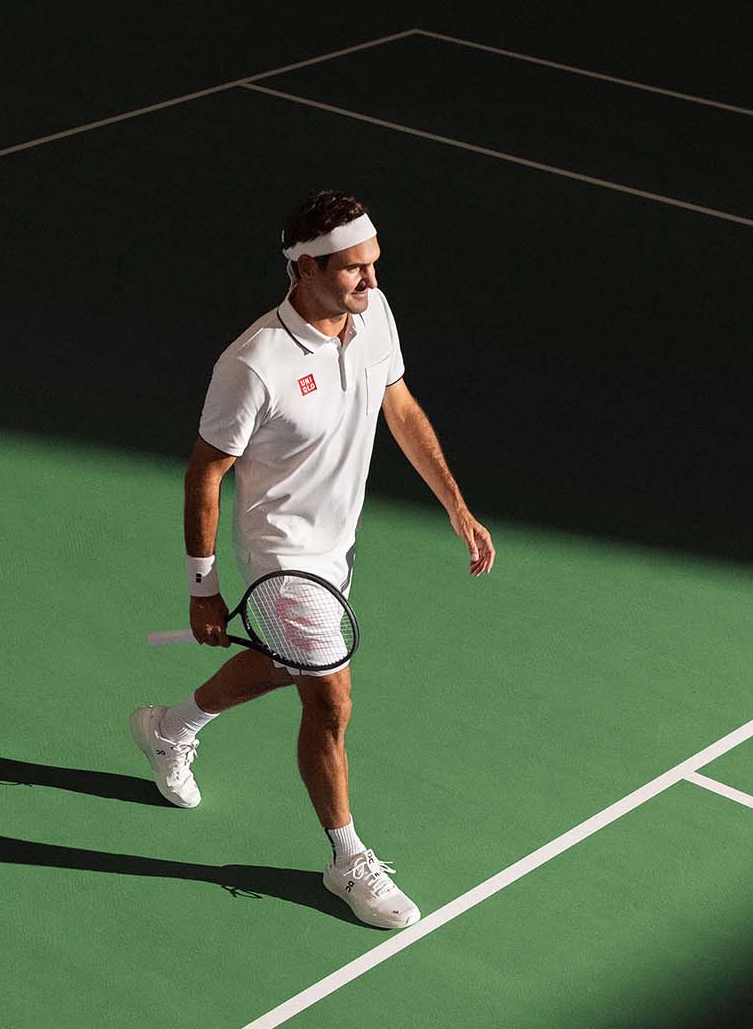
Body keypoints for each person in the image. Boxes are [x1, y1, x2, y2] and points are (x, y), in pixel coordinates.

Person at [131, 190, 495, 929]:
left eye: (375, 267)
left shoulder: (372, 317)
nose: (371, 283)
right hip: (283, 558)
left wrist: (454, 504)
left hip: (338, 546)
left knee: (283, 663)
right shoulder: (252, 364)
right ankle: (345, 859)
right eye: (355, 270)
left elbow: (399, 401)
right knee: (329, 700)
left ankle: (170, 726)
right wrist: (204, 588)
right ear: (303, 269)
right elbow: (206, 472)